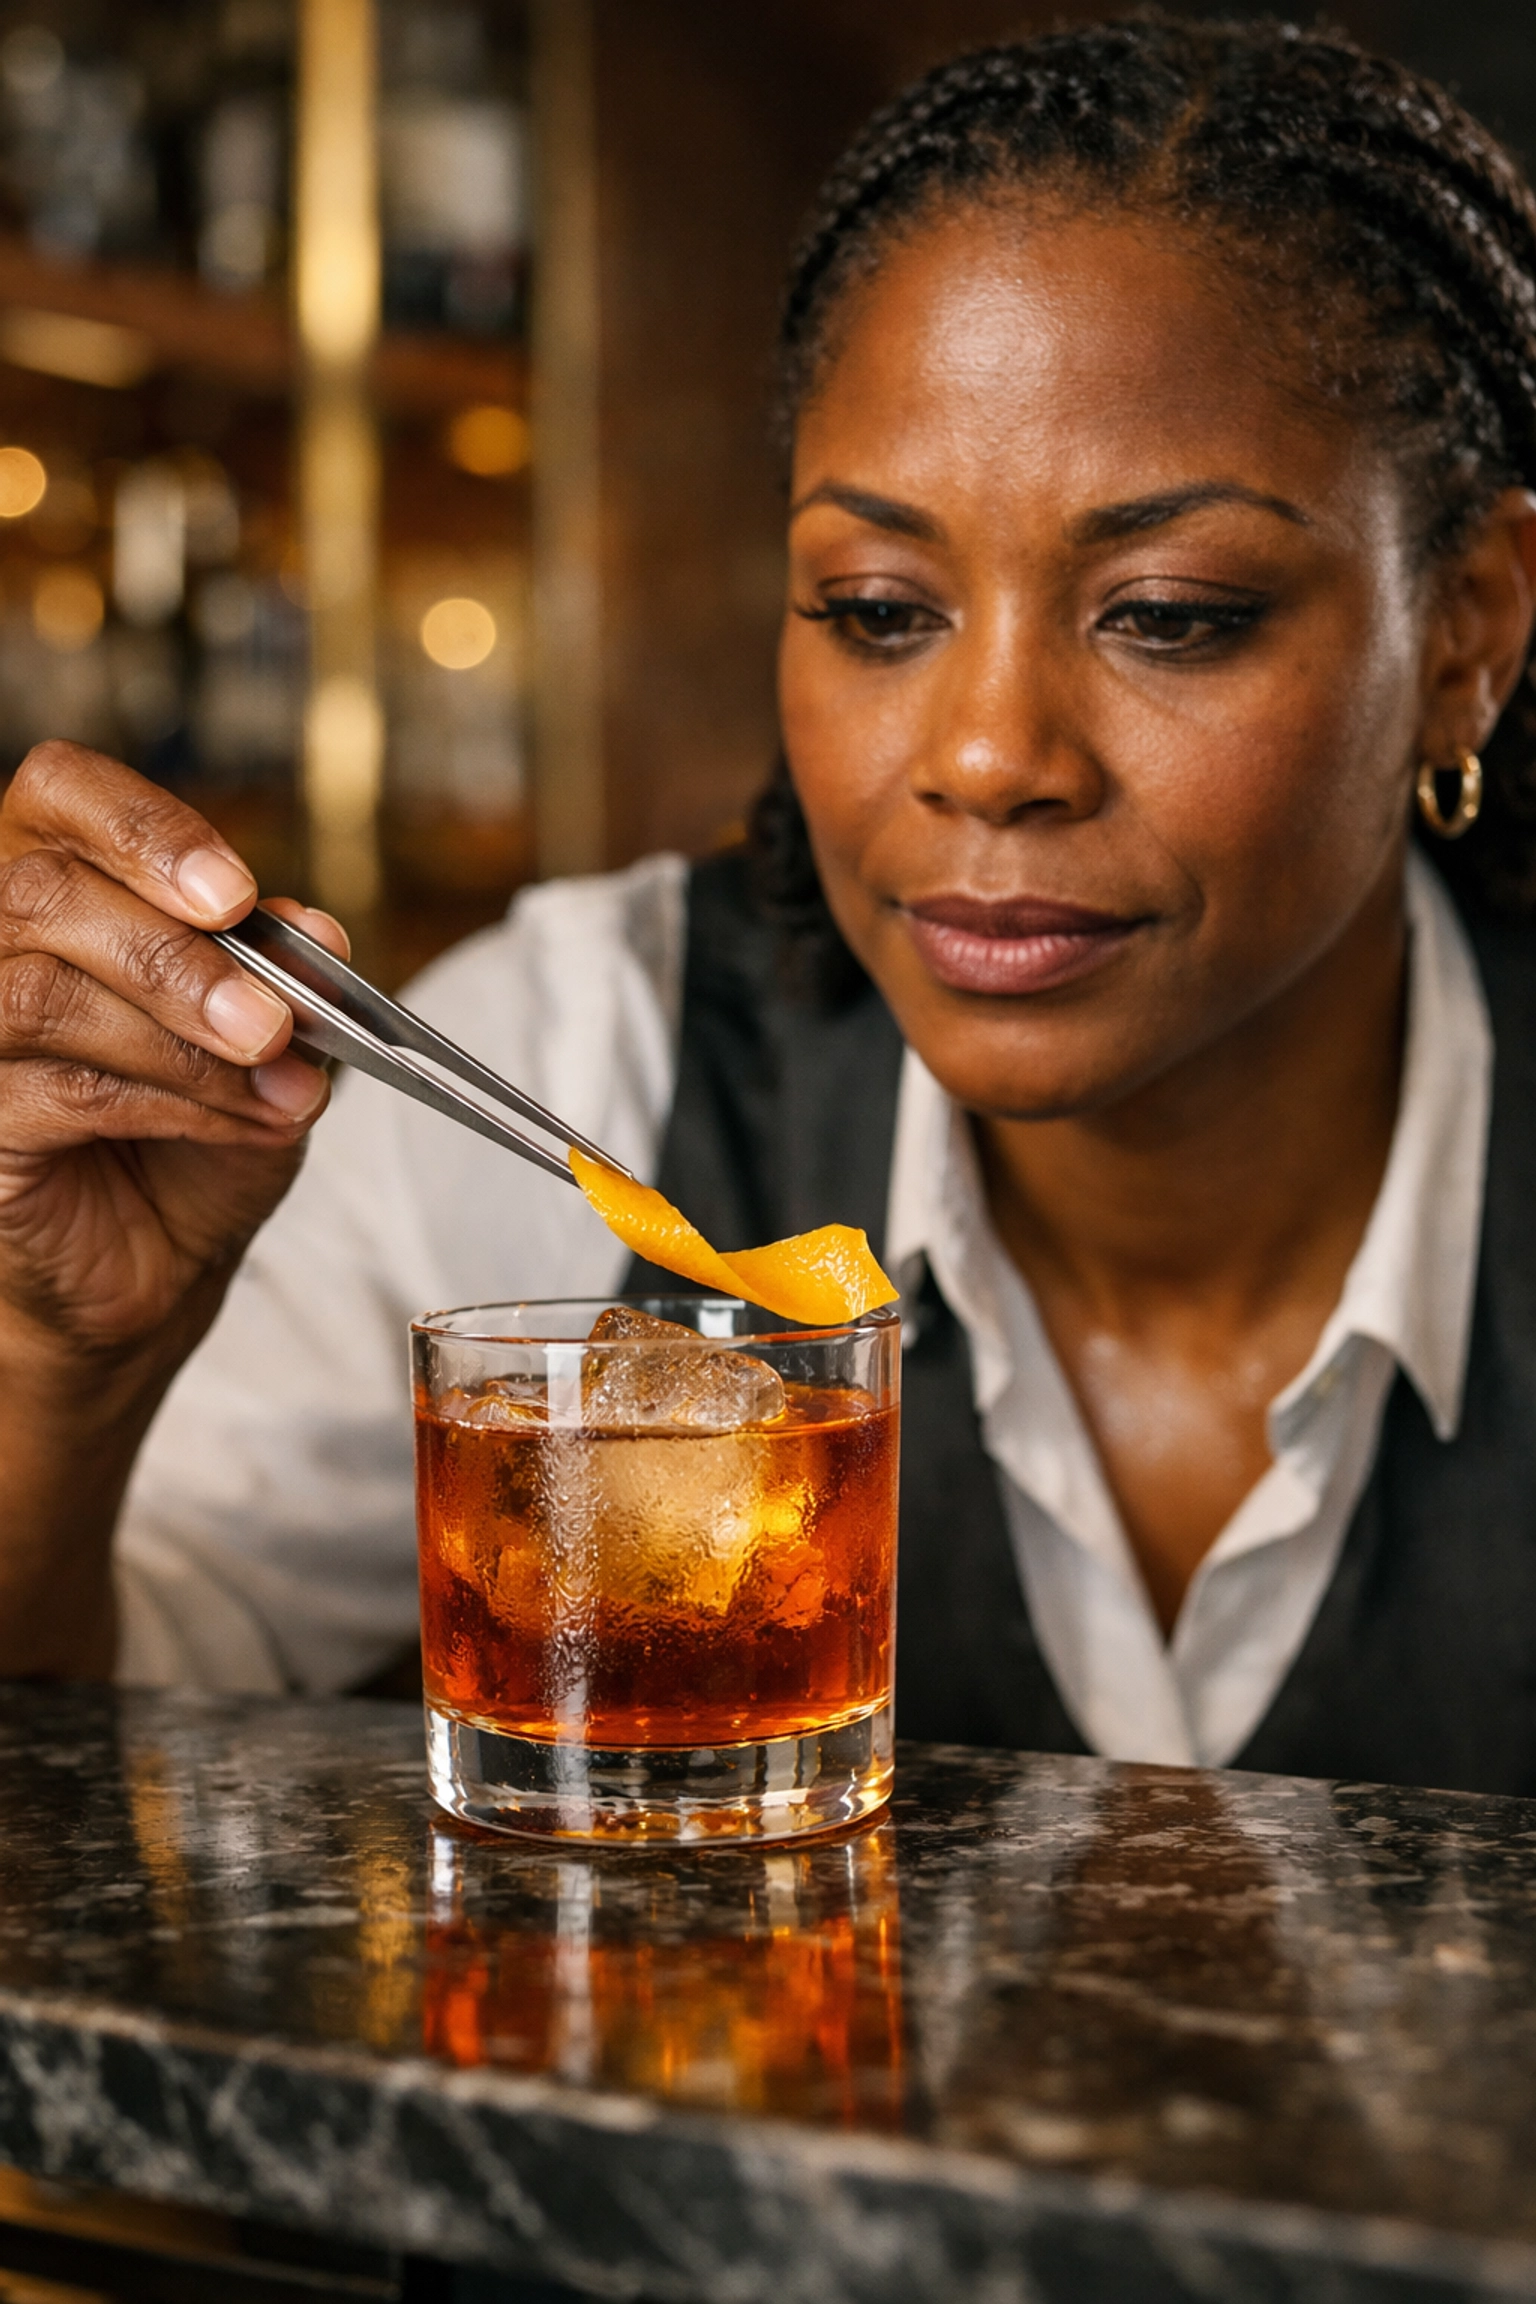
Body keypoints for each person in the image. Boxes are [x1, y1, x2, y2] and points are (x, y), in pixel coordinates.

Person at [1, 15, 1534, 1789]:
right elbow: (88, 1746)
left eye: (1170, 611)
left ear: (1473, 630)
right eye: (881, 610)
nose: (985, 754)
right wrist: (60, 1367)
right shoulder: (585, 1045)